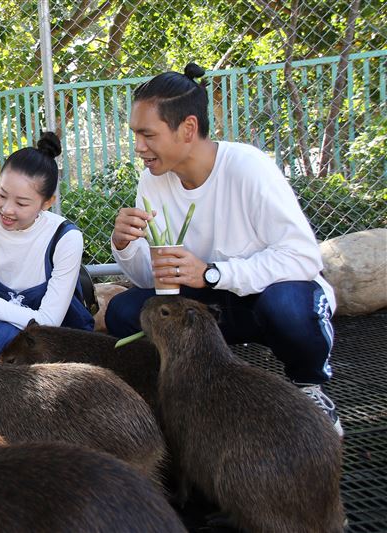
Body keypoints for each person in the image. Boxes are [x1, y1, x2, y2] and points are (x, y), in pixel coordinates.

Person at [105, 63, 342, 436]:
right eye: (136, 134)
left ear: (187, 129)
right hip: (206, 306)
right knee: (124, 311)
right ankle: (186, 390)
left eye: (147, 134)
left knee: (289, 306)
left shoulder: (248, 167)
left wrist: (213, 272)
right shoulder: (152, 181)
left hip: (260, 300)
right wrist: (124, 246)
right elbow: (150, 277)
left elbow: (302, 257)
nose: (138, 147)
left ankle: (308, 386)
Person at [0, 132, 94, 358]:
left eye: (21, 203)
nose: (6, 209)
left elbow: (47, 322)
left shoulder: (65, 237)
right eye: (2, 195)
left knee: (7, 339)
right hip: (5, 329)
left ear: (47, 202)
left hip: (55, 338)